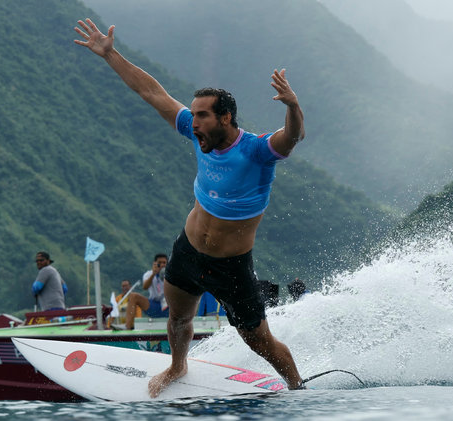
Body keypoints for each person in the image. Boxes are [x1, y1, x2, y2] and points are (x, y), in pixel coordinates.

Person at [74, 19, 306, 396]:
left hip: (232, 267)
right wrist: (110, 54)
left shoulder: (256, 151)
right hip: (188, 250)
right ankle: (178, 367)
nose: (192, 122)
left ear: (225, 118)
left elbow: (291, 137)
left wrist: (293, 106)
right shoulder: (199, 136)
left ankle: (297, 387)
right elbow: (152, 92)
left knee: (258, 341)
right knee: (179, 319)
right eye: (193, 114)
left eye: (202, 116)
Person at [124, 254, 169, 329]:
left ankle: (187, 325)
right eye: (159, 263)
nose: (162, 265)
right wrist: (154, 274)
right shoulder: (148, 274)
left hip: (168, 307)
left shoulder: (172, 274)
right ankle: (127, 327)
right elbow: (145, 287)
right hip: (154, 306)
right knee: (133, 296)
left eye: (164, 263)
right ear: (155, 263)